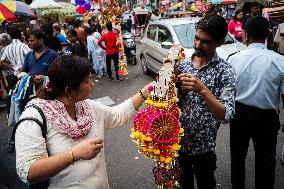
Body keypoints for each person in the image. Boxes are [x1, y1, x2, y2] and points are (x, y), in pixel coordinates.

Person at [15, 55, 153, 188]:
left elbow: (118, 114)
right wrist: (74, 154)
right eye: (87, 81)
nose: (92, 84)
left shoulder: (87, 107)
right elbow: (27, 171)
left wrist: (144, 93)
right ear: (69, 90)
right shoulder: (34, 117)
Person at [176, 13, 237, 189]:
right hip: (178, 145)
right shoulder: (183, 65)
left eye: (205, 42)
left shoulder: (225, 72)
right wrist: (168, 79)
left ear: (219, 42)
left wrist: (202, 89)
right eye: (196, 38)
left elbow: (226, 115)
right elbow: (174, 103)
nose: (197, 45)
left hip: (205, 149)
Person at [228, 16, 284, 189]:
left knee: (237, 158)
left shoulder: (233, 59)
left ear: (245, 35)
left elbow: (228, 92)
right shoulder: (280, 61)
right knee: (265, 161)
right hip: (266, 118)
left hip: (238, 115)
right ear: (268, 34)